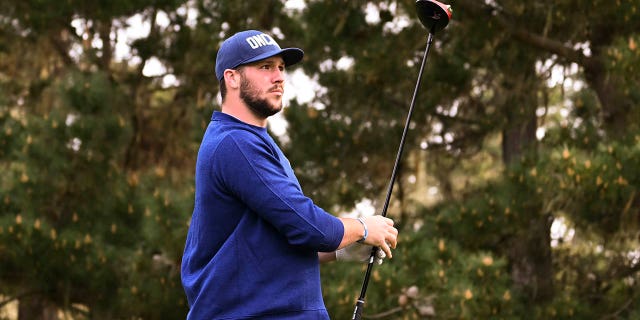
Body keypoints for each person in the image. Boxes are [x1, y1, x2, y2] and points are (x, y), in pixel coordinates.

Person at [180, 29, 398, 320]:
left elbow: (284, 236)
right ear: (231, 78)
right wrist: (362, 228)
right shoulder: (235, 143)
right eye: (265, 67)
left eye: (281, 68)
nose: (279, 77)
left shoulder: (255, 142)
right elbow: (311, 227)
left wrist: (341, 250)